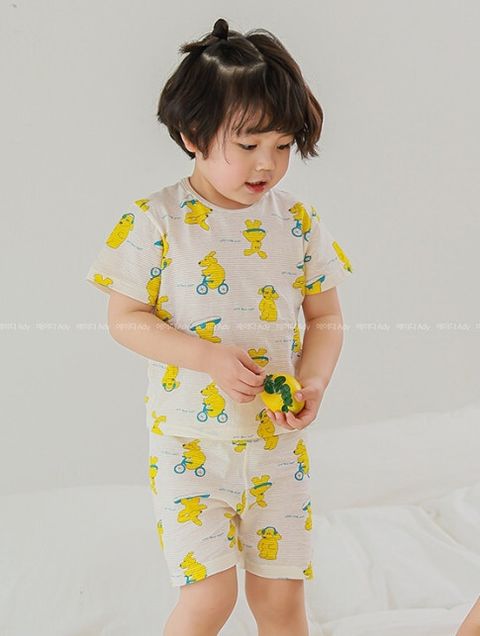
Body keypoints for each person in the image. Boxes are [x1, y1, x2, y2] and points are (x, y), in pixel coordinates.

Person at [85, 17, 354, 636]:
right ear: (192, 135)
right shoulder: (155, 221)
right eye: (249, 144)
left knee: (282, 604)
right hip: (190, 451)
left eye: (283, 146)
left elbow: (325, 316)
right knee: (210, 600)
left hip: (277, 451)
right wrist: (208, 358)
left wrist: (314, 380)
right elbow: (125, 319)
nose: (268, 164)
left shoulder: (297, 222)